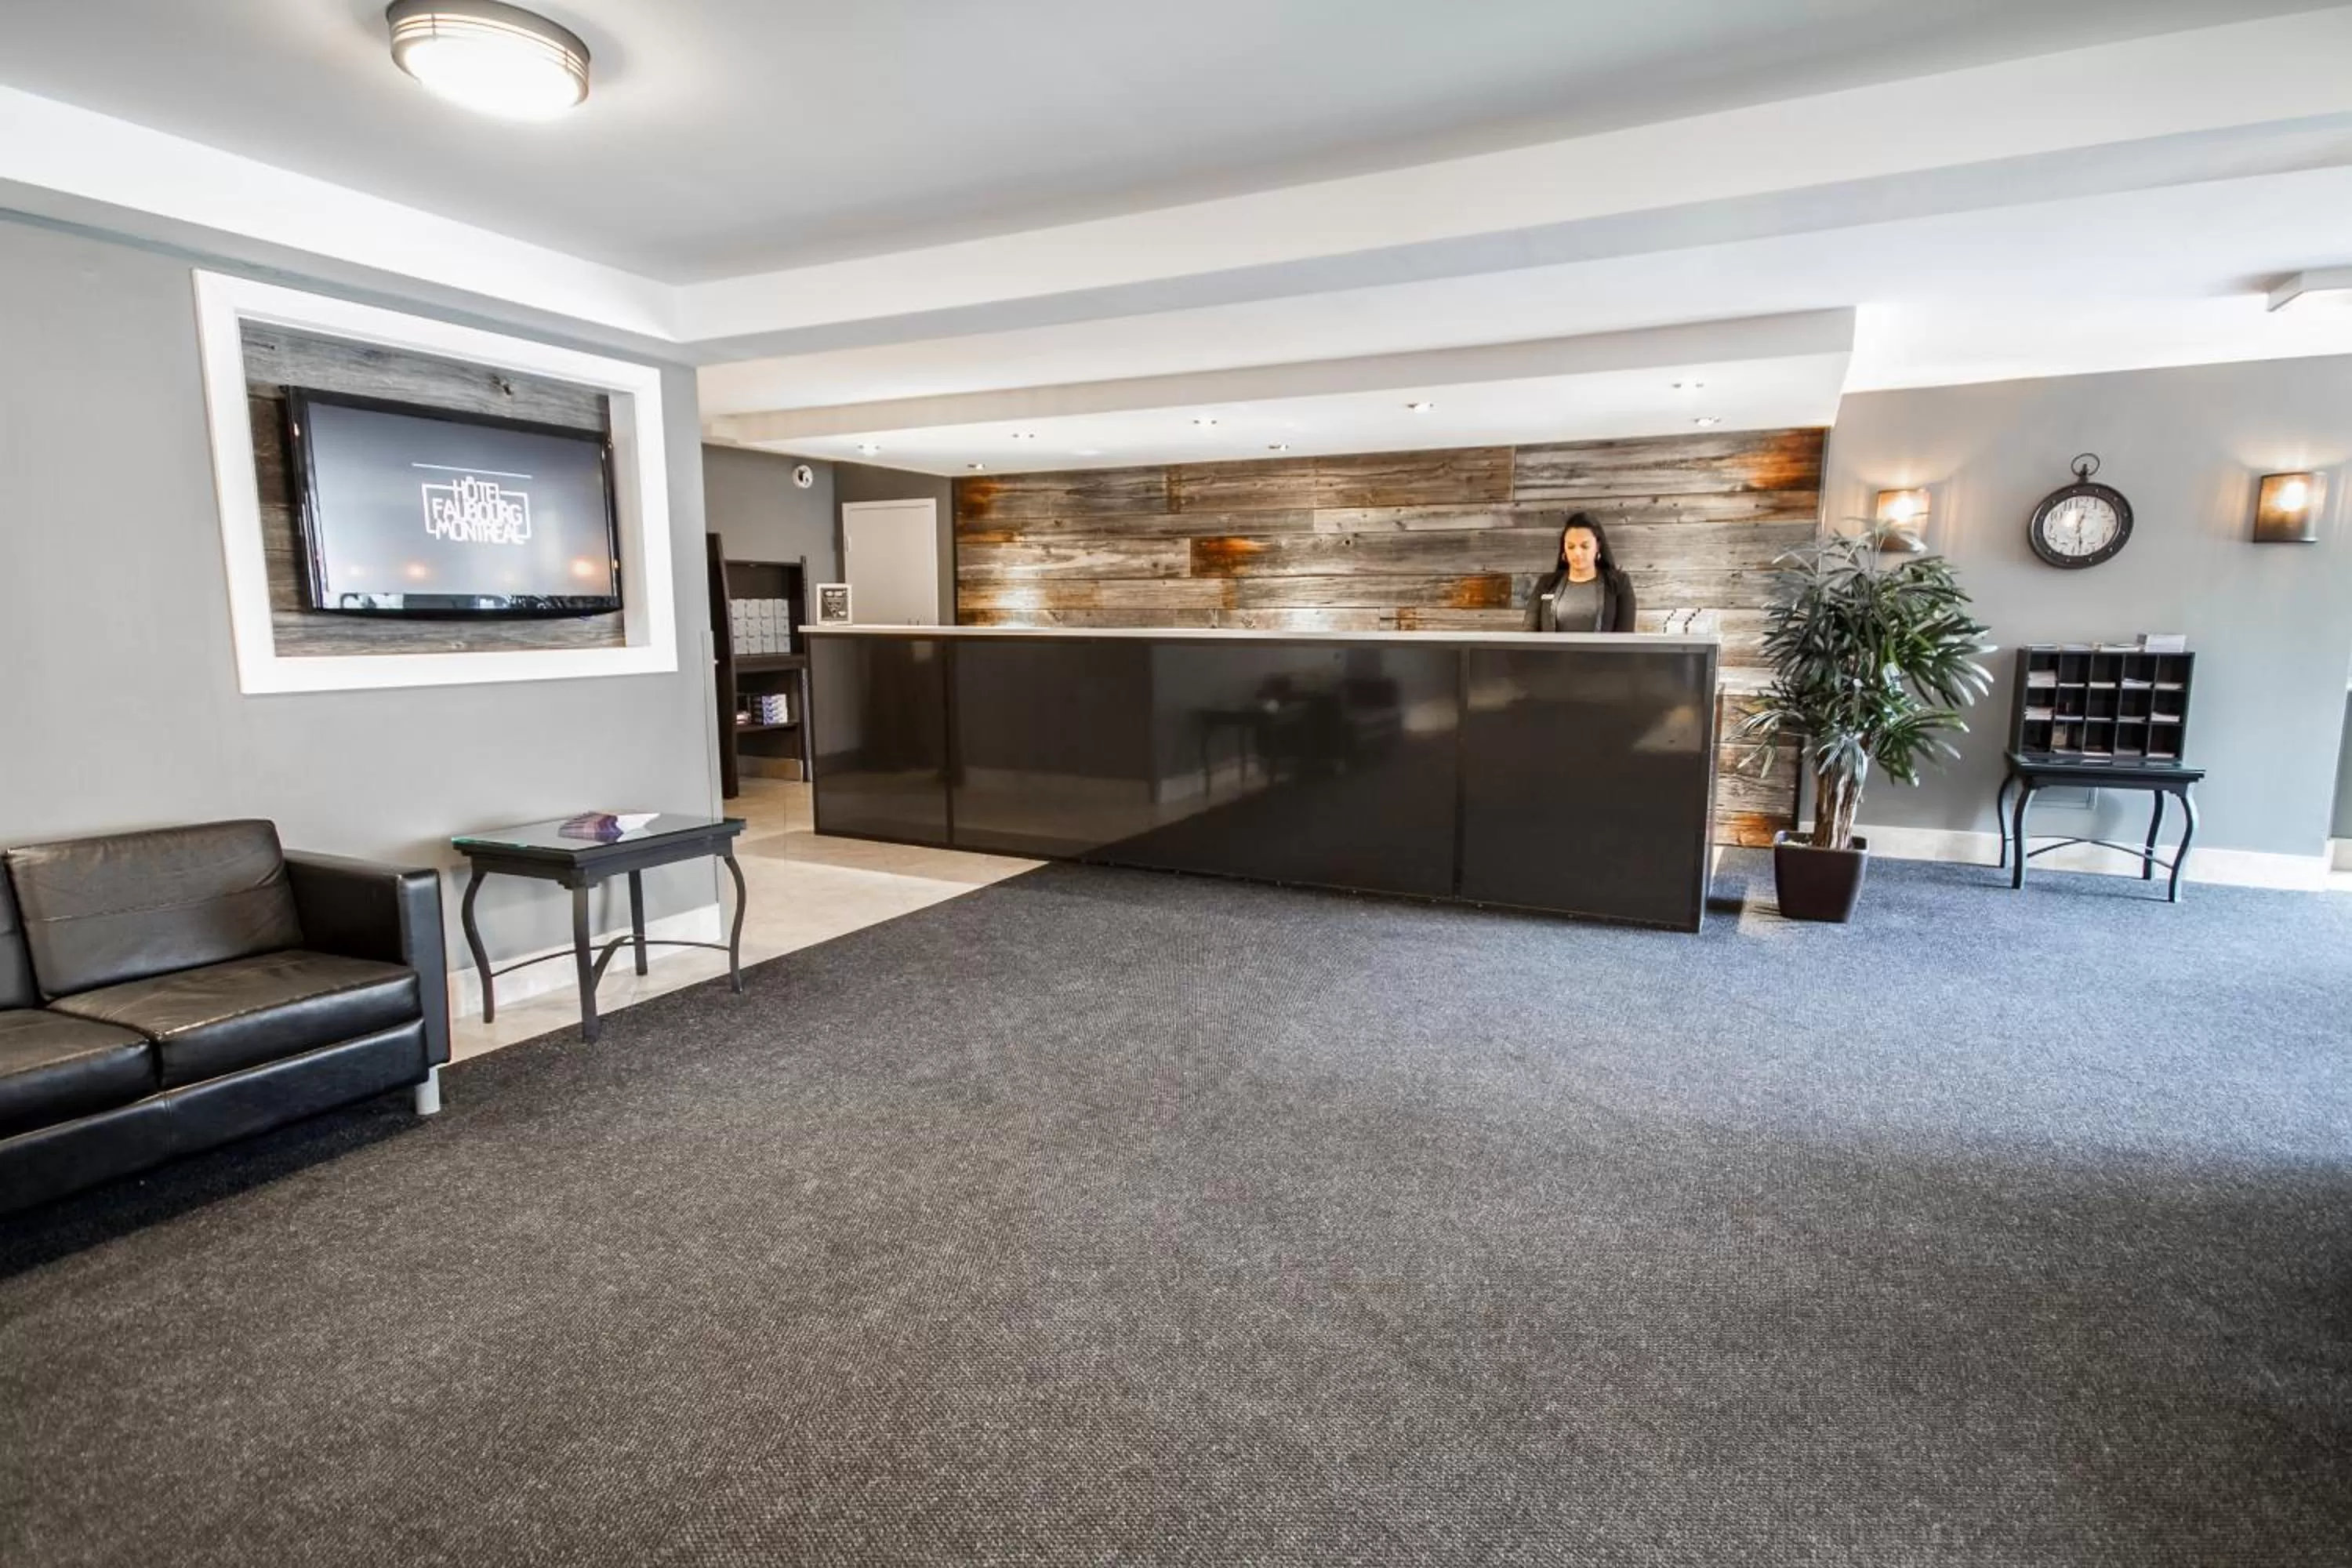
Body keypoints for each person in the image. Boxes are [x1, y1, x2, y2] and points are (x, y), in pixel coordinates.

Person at [1524, 513, 1637, 633]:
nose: (1577, 553)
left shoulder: (1619, 583)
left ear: (1598, 546)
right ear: (1564, 549)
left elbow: (1625, 639)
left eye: (1585, 546)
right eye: (1571, 547)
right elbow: (1529, 632)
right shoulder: (1546, 584)